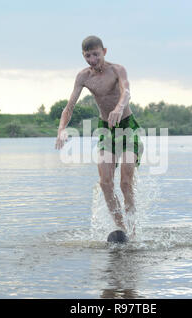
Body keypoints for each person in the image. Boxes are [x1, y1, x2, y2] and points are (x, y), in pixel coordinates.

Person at [55, 35, 144, 235]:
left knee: (125, 182)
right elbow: (69, 107)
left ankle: (134, 229)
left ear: (104, 51)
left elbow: (126, 92)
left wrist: (119, 108)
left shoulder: (117, 70)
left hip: (128, 126)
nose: (92, 60)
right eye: (87, 56)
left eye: (95, 54)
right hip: (105, 129)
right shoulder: (84, 77)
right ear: (83, 56)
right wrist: (61, 129)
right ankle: (122, 229)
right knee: (105, 183)